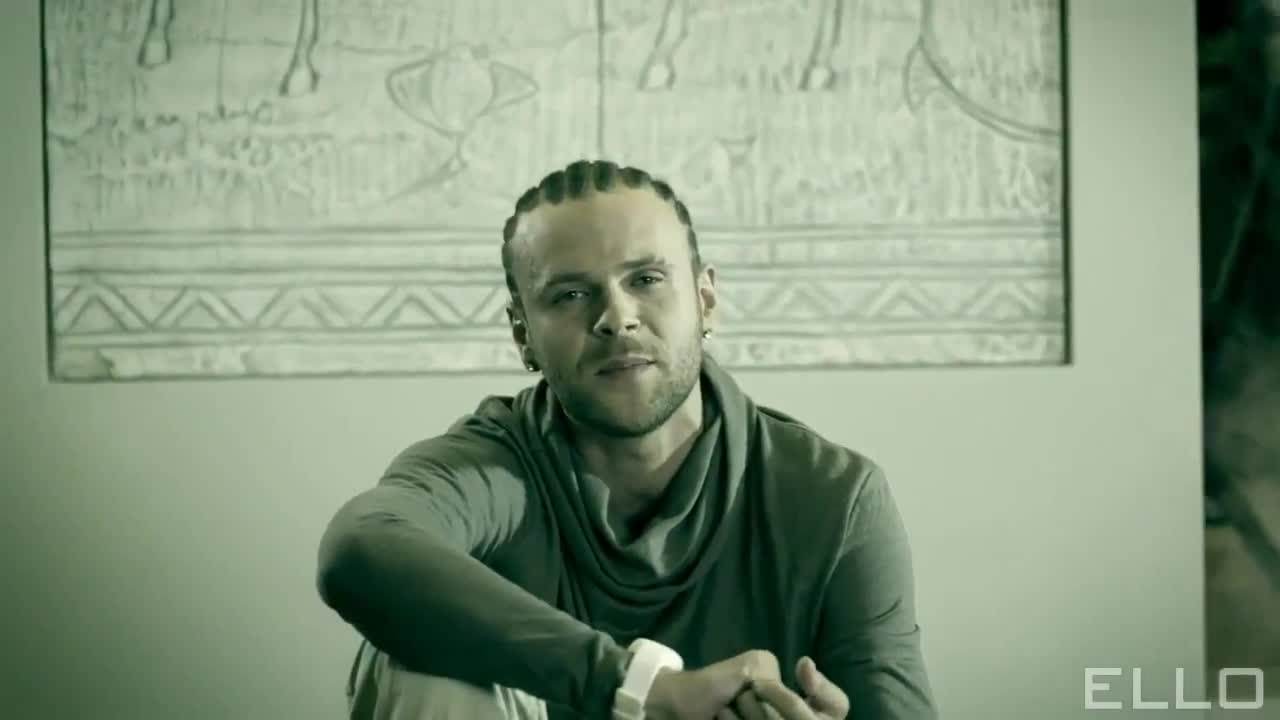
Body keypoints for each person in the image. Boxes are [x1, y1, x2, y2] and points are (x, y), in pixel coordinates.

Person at [315, 159, 938, 719]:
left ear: (706, 300)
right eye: (570, 294)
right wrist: (639, 687)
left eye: (645, 279)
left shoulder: (834, 498)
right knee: (414, 656)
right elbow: (361, 547)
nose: (616, 318)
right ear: (523, 335)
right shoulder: (494, 466)